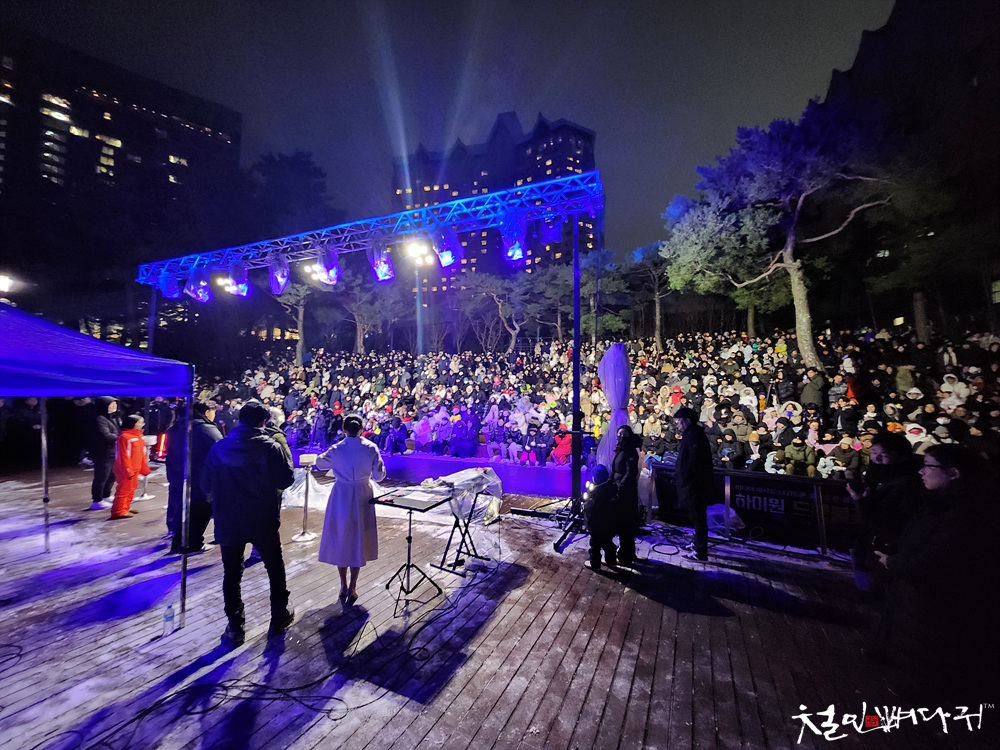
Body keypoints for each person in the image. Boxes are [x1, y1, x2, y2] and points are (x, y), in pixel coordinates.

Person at [201, 401, 295, 645]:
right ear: (264, 422)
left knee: (232, 572)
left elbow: (205, 484)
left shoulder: (220, 447)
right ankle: (279, 615)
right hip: (262, 517)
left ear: (240, 420)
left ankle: (235, 626)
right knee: (274, 567)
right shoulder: (270, 447)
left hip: (228, 518)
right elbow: (286, 480)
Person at [315, 414, 386, 606]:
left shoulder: (338, 448)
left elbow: (320, 463)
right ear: (361, 429)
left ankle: (343, 584)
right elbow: (379, 476)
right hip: (363, 493)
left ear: (344, 430)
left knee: (342, 536)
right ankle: (353, 586)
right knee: (358, 537)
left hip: (342, 494)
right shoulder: (370, 447)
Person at [165, 401, 223, 553]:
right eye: (213, 412)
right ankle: (193, 543)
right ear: (206, 412)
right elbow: (221, 450)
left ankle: (179, 541)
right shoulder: (206, 428)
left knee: (184, 509)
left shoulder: (178, 426)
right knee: (201, 509)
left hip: (180, 474)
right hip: (201, 476)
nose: (214, 415)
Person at [674, 407, 715, 562]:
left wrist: (685, 477)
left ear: (687, 421)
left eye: (679, 420)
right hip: (693, 483)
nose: (677, 424)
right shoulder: (691, 434)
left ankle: (701, 551)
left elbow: (694, 461)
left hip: (696, 484)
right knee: (695, 516)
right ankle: (698, 543)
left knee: (698, 517)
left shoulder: (694, 435)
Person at [612, 424, 642, 567]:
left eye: (624, 435)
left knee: (625, 524)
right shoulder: (622, 449)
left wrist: (620, 487)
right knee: (624, 524)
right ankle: (628, 553)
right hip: (620, 488)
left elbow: (630, 473)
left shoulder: (630, 451)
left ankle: (625, 556)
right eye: (619, 434)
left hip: (626, 492)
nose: (621, 437)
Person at [109, 415, 150, 519]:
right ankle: (118, 511)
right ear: (133, 424)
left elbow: (142, 454)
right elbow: (123, 456)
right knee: (124, 490)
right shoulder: (124, 437)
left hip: (135, 467)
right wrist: (128, 470)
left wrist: (144, 467)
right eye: (139, 422)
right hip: (125, 469)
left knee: (131, 489)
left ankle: (125, 507)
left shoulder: (139, 436)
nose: (142, 425)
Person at [88, 397, 120, 510]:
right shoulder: (100, 419)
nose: (114, 407)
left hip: (113, 451)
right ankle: (97, 500)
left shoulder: (114, 417)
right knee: (102, 476)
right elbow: (105, 435)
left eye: (115, 404)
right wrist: (121, 437)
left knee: (112, 475)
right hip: (103, 452)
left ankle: (106, 495)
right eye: (111, 405)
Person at [583, 464, 617, 571]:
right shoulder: (612, 488)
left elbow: (590, 508)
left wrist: (585, 505)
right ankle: (611, 560)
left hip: (596, 525)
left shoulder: (596, 494)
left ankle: (595, 563)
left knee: (595, 545)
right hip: (609, 524)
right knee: (608, 542)